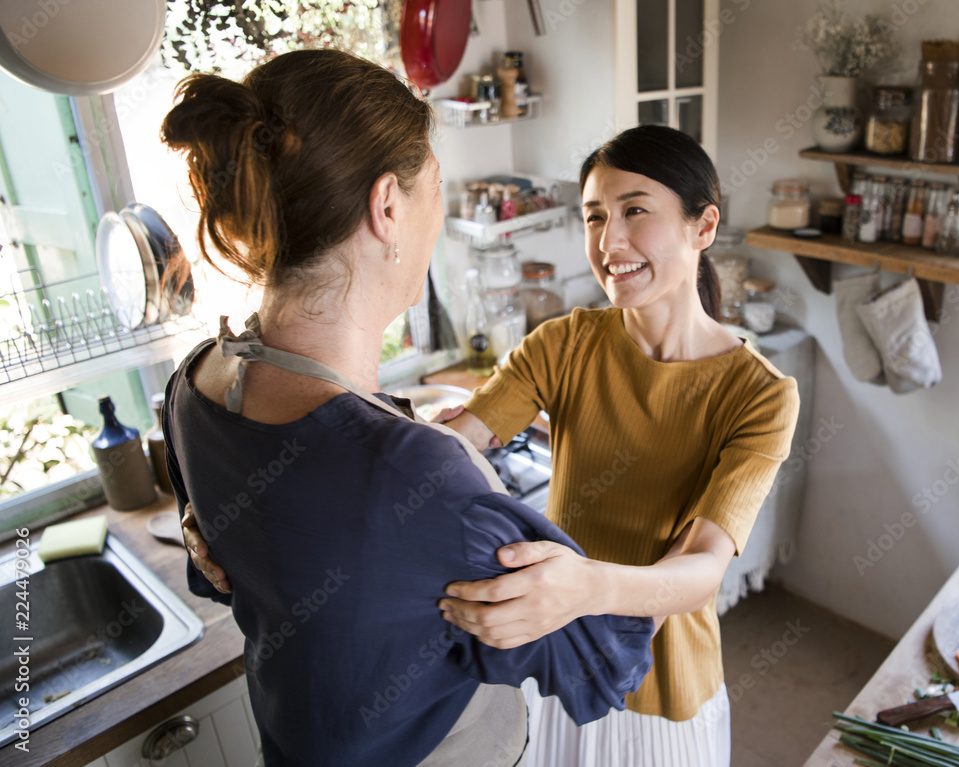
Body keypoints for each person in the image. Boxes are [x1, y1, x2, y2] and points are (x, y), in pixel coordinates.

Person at [158, 49, 654, 767]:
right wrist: (598, 578)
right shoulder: (412, 468)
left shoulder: (193, 384)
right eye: (437, 192)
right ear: (388, 206)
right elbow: (601, 663)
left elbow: (217, 570)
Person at [433, 125, 801, 766]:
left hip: (666, 684)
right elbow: (452, 449)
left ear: (703, 226)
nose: (609, 242)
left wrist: (583, 590)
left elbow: (701, 570)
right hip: (552, 658)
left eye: (635, 210)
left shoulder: (759, 394)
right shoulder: (565, 343)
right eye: (595, 217)